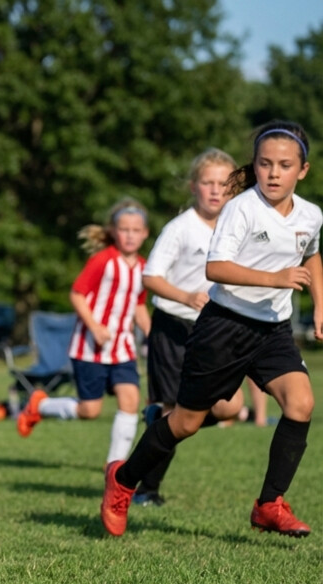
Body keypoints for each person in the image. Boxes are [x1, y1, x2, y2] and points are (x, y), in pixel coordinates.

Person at [102, 120, 323, 538]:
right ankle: (124, 479)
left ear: (303, 170)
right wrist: (276, 278)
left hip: (272, 331)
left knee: (300, 404)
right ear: (254, 166)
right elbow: (215, 268)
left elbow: (311, 256)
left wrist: (320, 310)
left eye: (285, 165)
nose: (274, 173)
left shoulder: (311, 214)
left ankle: (269, 504)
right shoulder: (241, 208)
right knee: (184, 423)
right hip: (224, 327)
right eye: (265, 164)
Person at [134, 148, 254, 505]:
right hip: (174, 328)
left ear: (234, 187)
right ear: (193, 186)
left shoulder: (240, 226)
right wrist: (186, 297)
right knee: (175, 411)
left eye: (223, 183)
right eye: (207, 183)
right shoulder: (180, 228)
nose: (216, 190)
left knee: (231, 408)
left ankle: (158, 424)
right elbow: (150, 277)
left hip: (215, 331)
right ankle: (147, 490)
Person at [16, 199, 151, 468]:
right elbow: (77, 294)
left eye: (136, 230)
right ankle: (39, 406)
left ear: (145, 233)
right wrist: (95, 327)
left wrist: (152, 335)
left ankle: (114, 466)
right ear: (113, 231)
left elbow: (138, 305)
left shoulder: (144, 268)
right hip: (89, 348)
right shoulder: (102, 261)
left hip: (122, 348)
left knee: (130, 400)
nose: (130, 235)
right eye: (124, 229)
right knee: (90, 410)